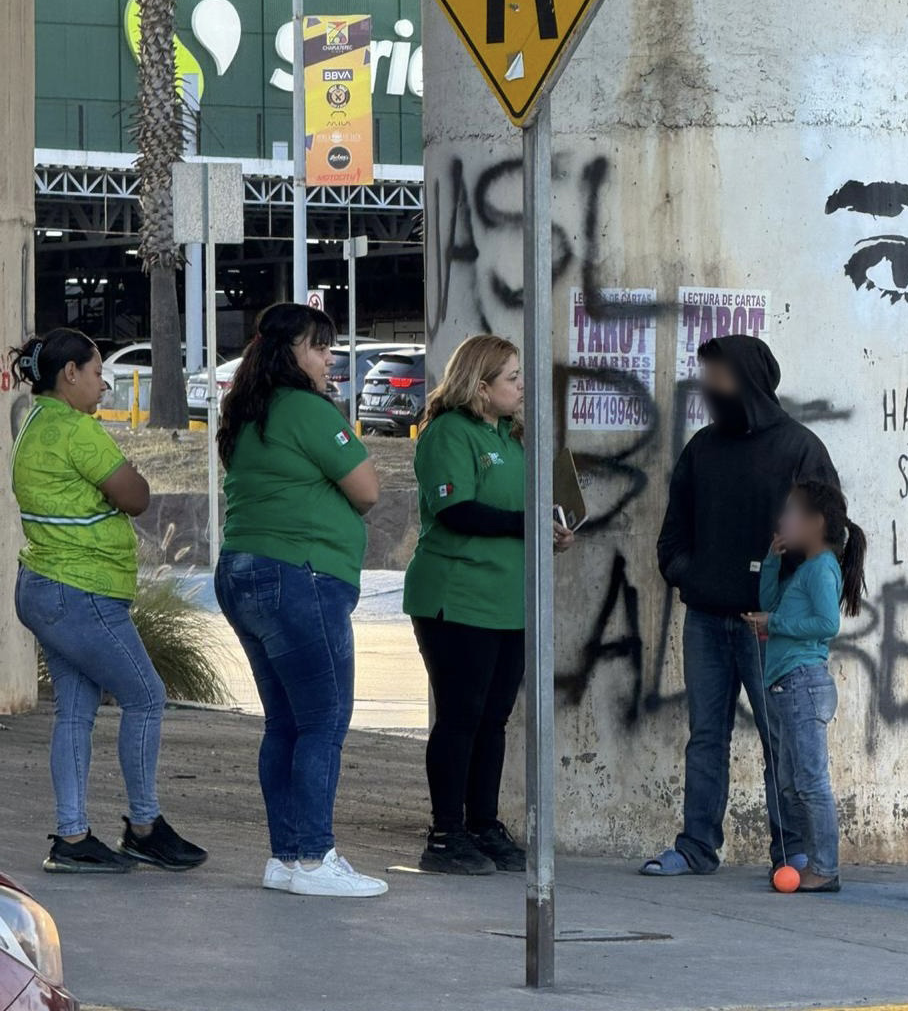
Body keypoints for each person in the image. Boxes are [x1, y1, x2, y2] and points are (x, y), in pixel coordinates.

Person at [10, 328, 207, 875]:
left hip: (44, 587)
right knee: (146, 695)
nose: (105, 383)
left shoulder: (31, 427)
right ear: (68, 374)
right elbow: (137, 497)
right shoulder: (78, 431)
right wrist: (124, 479)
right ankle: (144, 826)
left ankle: (73, 837)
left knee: (75, 711)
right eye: (97, 373)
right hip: (83, 591)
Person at [642, 334, 839, 877]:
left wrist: (780, 605)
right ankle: (696, 847)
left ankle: (793, 853)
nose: (708, 388)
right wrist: (696, 578)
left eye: (718, 377)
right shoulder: (702, 449)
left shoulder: (800, 449)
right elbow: (671, 539)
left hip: (769, 630)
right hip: (706, 621)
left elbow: (828, 535)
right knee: (706, 737)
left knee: (785, 742)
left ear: (747, 379)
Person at [214, 303, 387, 898]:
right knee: (323, 721)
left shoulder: (244, 411)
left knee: (285, 722)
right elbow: (367, 489)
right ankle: (314, 858)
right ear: (290, 352)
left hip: (242, 571)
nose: (328, 358)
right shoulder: (311, 411)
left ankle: (286, 857)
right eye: (319, 347)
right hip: (301, 576)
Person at [403, 335, 574, 875]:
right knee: (461, 716)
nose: (522, 386)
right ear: (480, 386)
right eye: (511, 378)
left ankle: (483, 823)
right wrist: (526, 525)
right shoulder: (449, 432)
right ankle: (446, 833)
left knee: (494, 719)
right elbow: (456, 510)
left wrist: (553, 527)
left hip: (508, 599)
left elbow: (519, 508)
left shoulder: (511, 436)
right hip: (458, 596)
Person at [743, 481, 866, 892]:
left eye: (792, 512)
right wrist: (772, 562)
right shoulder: (806, 568)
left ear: (815, 523)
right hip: (786, 685)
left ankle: (825, 868)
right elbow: (771, 601)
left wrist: (773, 625)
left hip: (803, 684)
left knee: (810, 782)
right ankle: (815, 861)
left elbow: (827, 625)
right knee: (791, 783)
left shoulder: (821, 569)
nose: (783, 520)